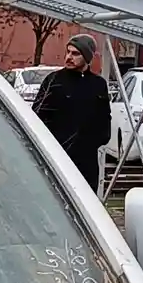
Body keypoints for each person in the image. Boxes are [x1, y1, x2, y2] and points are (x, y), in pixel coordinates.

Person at [33, 33, 112, 190]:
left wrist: (91, 142)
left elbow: (104, 121)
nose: (69, 57)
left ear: (87, 57)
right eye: (68, 52)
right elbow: (37, 117)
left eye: (75, 53)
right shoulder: (54, 80)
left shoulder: (98, 85)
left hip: (86, 163)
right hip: (56, 157)